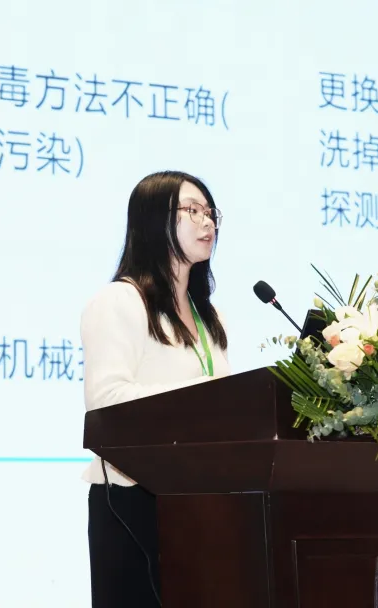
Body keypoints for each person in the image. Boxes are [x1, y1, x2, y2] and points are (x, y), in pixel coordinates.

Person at [80, 170, 231, 608]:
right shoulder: (120, 301)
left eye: (210, 212)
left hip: (201, 504)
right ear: (153, 220)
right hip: (132, 504)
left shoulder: (209, 316)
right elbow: (106, 402)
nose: (208, 222)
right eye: (192, 210)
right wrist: (201, 396)